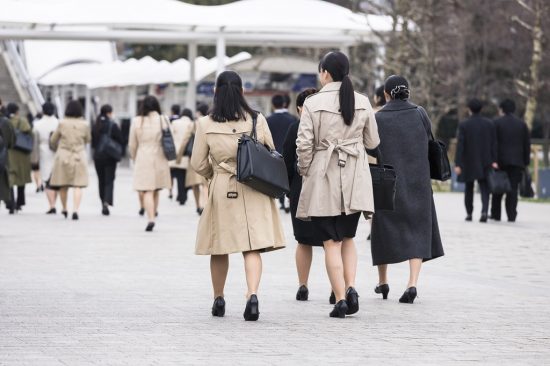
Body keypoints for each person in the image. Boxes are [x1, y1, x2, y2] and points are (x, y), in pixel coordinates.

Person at [191, 70, 285, 321]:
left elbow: (197, 163)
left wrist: (216, 173)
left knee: (219, 246)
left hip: (224, 188)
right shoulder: (257, 120)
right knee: (251, 246)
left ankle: (219, 298)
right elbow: (271, 152)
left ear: (215, 92)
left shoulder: (205, 124)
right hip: (254, 186)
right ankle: (252, 295)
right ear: (243, 92)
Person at [296, 51, 380, 318]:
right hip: (355, 175)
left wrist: (305, 170)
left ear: (325, 73)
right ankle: (352, 286)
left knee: (330, 242)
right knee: (347, 237)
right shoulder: (363, 101)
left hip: (324, 176)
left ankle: (341, 298)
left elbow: (304, 145)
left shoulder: (312, 102)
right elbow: (373, 143)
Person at [370, 75, 444, 304]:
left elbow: (371, 149)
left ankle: (383, 282)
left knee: (383, 231)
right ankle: (412, 284)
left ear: (386, 94)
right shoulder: (420, 113)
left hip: (388, 183)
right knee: (418, 230)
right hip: (418, 182)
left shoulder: (378, 118)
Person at [283, 88, 323, 301]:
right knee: (332, 241)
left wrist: (289, 189)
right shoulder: (329, 125)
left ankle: (303, 285)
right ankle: (336, 288)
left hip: (301, 188)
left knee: (303, 240)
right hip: (327, 188)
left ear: (300, 108)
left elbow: (286, 160)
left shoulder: (296, 127)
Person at [129, 96, 171, 232]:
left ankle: (151, 218)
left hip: (143, 156)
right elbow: (170, 139)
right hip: (160, 157)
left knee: (147, 190)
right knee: (156, 189)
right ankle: (154, 212)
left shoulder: (137, 121)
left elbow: (132, 144)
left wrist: (134, 157)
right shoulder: (163, 119)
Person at [455, 98, 498, 222]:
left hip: (469, 161)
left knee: (469, 188)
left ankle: (469, 213)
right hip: (486, 160)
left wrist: (458, 163)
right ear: (481, 109)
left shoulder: (464, 124)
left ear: (469, 109)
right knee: (485, 188)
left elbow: (460, 145)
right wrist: (494, 160)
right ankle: (484, 211)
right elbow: (494, 144)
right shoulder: (490, 124)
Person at [49, 100, 91, 220]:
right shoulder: (85, 124)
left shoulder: (62, 123)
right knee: (78, 185)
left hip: (63, 155)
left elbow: (53, 139)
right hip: (78, 155)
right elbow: (88, 139)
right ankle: (76, 210)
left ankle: (64, 208)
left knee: (63, 184)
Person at [491, 99, 531, 222]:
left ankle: (496, 214)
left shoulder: (496, 123)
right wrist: (526, 161)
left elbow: (493, 143)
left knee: (498, 188)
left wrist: (493, 160)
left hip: (500, 161)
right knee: (513, 190)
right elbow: (526, 145)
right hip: (517, 162)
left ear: (501, 109)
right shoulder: (522, 124)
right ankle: (511, 215)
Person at [267, 94, 297, 212]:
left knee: (277, 178)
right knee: (290, 176)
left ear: (273, 105)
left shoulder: (268, 120)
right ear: (285, 104)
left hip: (274, 154)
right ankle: (289, 200)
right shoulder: (293, 119)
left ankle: (280, 201)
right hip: (291, 153)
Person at [92, 104, 123, 216]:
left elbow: (93, 142)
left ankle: (102, 202)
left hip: (98, 157)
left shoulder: (96, 125)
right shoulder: (113, 125)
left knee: (101, 180)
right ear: (109, 113)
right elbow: (120, 140)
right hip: (110, 157)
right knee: (109, 180)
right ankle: (106, 201)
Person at [175, 110, 206, 215]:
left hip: (193, 156)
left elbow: (185, 140)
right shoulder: (210, 122)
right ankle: (204, 204)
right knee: (205, 184)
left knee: (195, 184)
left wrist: (179, 157)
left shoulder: (194, 124)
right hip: (207, 156)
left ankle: (198, 205)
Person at [33, 102, 59, 214]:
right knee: (56, 179)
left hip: (44, 150)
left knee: (47, 179)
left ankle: (51, 205)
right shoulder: (58, 122)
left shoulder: (38, 124)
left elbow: (35, 142)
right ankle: (55, 203)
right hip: (57, 151)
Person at [6, 103, 32, 214]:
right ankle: (20, 202)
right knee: (21, 177)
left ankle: (10, 203)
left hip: (9, 152)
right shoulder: (23, 121)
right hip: (22, 153)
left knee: (10, 177)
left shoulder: (4, 121)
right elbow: (30, 133)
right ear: (17, 111)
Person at [169, 108, 193, 205]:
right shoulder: (192, 123)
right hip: (188, 152)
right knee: (186, 175)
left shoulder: (175, 123)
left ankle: (181, 196)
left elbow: (170, 136)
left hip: (177, 153)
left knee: (179, 176)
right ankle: (184, 194)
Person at [0, 113, 15, 207]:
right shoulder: (6, 122)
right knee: (6, 180)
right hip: (3, 157)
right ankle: (10, 203)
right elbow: (12, 141)